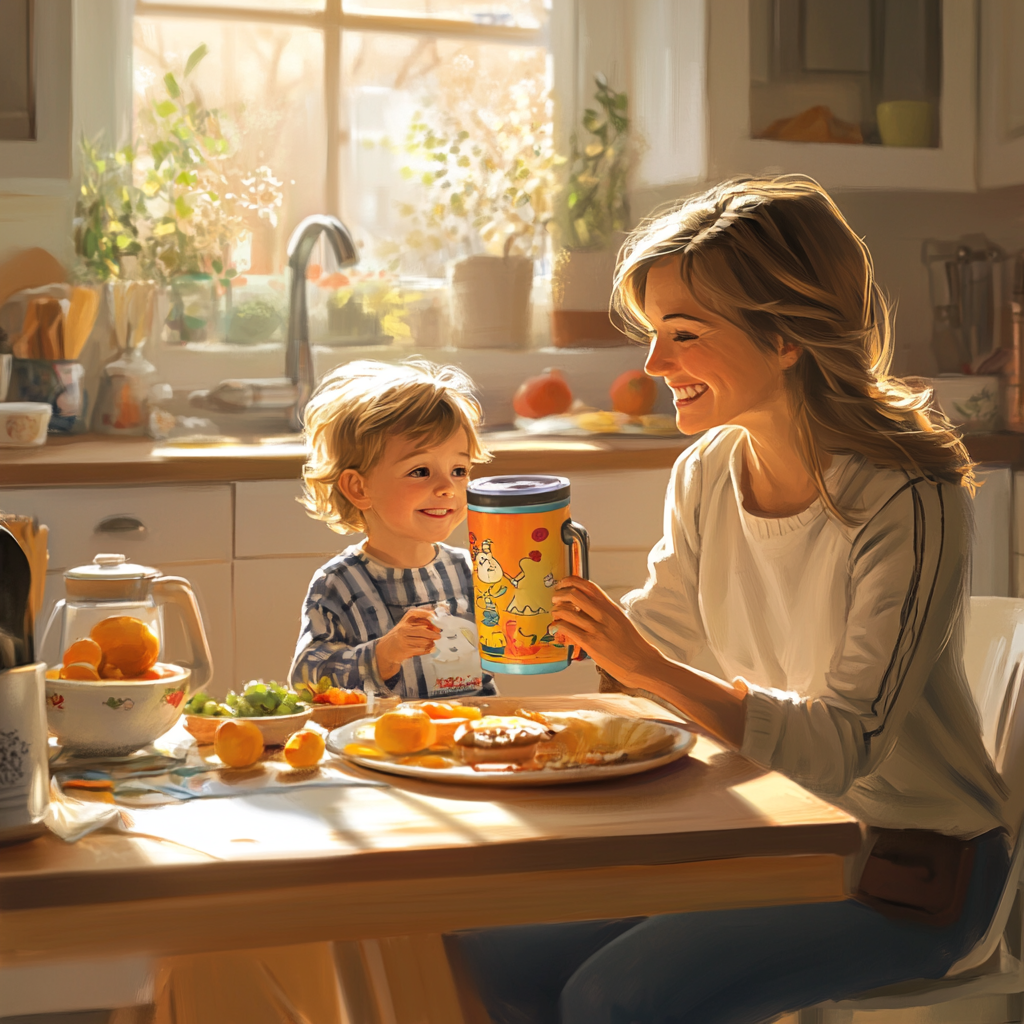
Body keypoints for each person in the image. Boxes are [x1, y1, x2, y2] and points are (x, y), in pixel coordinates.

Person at [453, 176, 1012, 1024]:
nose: (651, 364)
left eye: (683, 333)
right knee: (483, 951)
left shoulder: (909, 497)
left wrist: (644, 661)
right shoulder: (709, 470)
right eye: (652, 333)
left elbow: (847, 746)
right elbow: (659, 645)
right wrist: (545, 619)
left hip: (914, 869)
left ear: (784, 335)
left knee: (618, 997)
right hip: (769, 831)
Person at [288, 359, 497, 700]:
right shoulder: (337, 583)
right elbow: (305, 678)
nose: (448, 488)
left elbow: (506, 646)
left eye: (459, 470)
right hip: (378, 744)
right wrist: (382, 655)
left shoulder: (470, 570)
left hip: (471, 737)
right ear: (359, 488)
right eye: (420, 471)